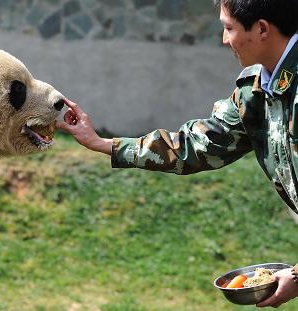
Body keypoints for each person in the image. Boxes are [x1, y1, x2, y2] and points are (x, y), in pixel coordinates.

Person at [56, 0, 298, 308]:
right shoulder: (256, 89)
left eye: (228, 28)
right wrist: (104, 144)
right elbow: (197, 146)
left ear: (262, 29)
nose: (224, 40)